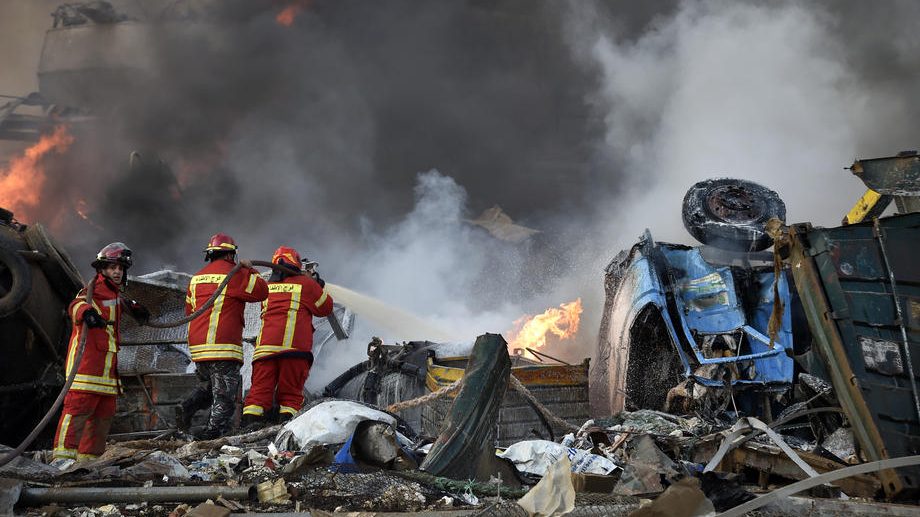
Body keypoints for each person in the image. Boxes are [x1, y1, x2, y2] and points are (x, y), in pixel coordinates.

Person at [52, 242, 150, 465]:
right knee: (77, 412)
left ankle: (88, 461)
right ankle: (61, 460)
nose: (117, 272)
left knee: (102, 418)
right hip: (87, 368)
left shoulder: (115, 294)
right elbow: (75, 304)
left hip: (107, 373)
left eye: (121, 268)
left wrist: (134, 307)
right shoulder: (92, 289)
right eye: (113, 267)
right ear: (103, 269)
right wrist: (86, 313)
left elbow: (118, 305)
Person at [177, 233, 268, 439]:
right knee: (224, 395)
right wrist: (248, 269)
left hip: (199, 348)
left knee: (209, 388)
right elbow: (262, 291)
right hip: (223, 346)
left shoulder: (196, 278)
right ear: (231, 255)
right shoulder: (234, 274)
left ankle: (186, 407)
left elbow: (189, 310)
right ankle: (213, 436)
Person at [242, 246, 333, 427]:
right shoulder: (306, 285)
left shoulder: (267, 289)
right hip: (294, 351)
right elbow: (325, 308)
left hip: (265, 351)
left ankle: (248, 431)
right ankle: (285, 430)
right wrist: (316, 284)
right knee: (290, 396)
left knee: (258, 394)